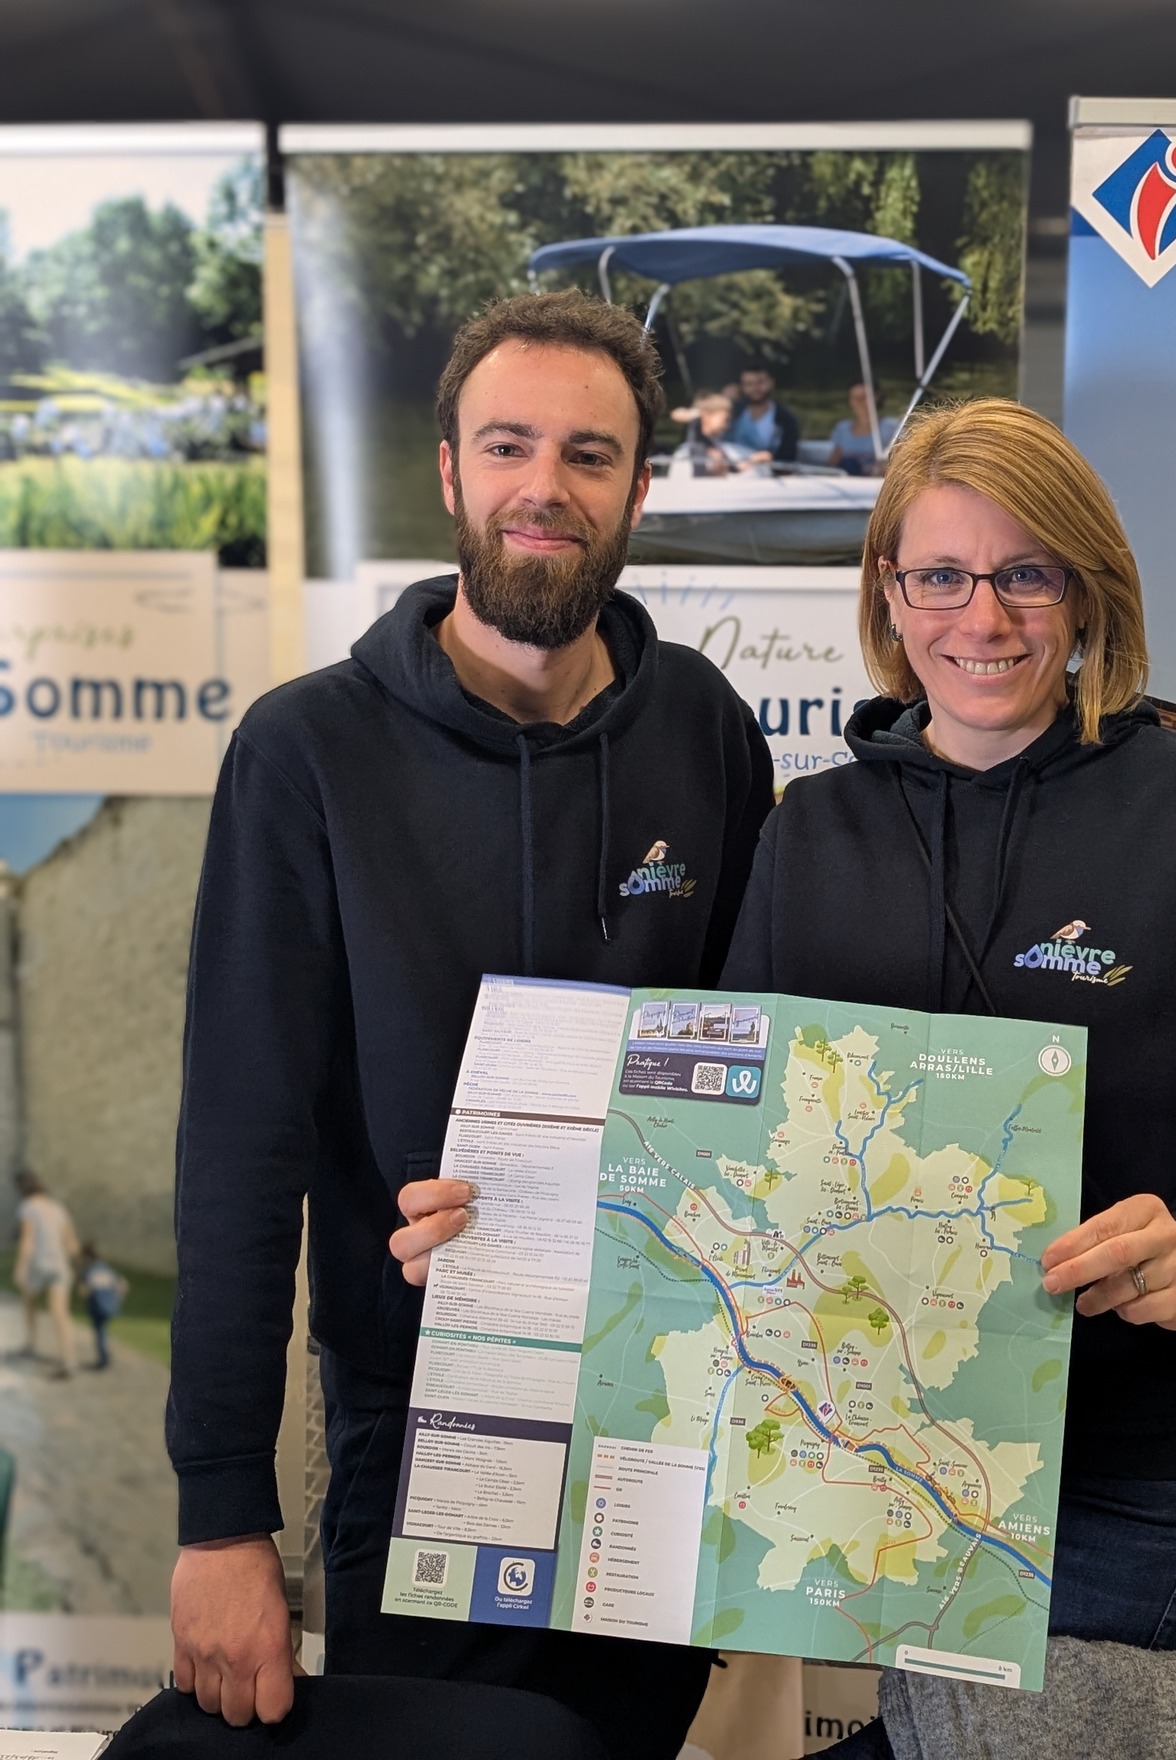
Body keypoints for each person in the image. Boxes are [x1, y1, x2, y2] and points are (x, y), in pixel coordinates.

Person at [716, 399, 1176, 1757]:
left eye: (1025, 572)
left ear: (1086, 588)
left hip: (1137, 1474)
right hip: (866, 1455)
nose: (983, 616)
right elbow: (731, 1114)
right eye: (941, 575)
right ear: (889, 593)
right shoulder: (811, 832)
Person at [168, 290, 774, 1754]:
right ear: (448, 471)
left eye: (588, 454)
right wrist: (221, 1517)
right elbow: (239, 1151)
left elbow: (761, 1074)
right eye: (508, 445)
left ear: (639, 487)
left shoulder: (706, 730)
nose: (542, 487)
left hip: (656, 1400)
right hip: (422, 1417)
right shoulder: (305, 752)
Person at [13, 1169, 78, 1378]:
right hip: (60, 1266)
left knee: (29, 1300)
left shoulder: (28, 1207)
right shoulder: (58, 1207)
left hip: (39, 1265)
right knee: (61, 1314)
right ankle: (69, 1361)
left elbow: (27, 1241)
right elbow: (72, 1244)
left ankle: (31, 1344)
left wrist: (21, 1268)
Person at [726, 362, 800, 465]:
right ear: (742, 387)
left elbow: (787, 459)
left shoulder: (786, 419)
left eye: (760, 383)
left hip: (769, 473)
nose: (755, 388)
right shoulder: (732, 414)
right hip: (733, 471)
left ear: (771, 383)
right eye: (749, 384)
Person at [77, 1241, 129, 1368]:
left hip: (97, 1306)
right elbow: (123, 1283)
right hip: (111, 1304)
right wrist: (118, 1298)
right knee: (103, 1329)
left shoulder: (87, 1270)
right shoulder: (105, 1267)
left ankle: (104, 1358)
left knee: (99, 1330)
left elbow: (83, 1292)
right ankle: (106, 1353)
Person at [828, 383, 899, 475]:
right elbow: (833, 464)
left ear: (876, 398)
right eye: (855, 398)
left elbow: (900, 461)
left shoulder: (891, 427)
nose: (859, 401)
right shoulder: (842, 428)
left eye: (864, 397)